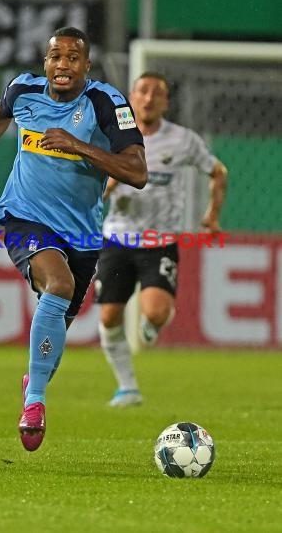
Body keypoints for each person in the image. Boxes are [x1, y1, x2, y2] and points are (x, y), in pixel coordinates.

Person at [0, 27, 147, 451]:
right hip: (24, 216)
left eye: (73, 58)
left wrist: (80, 146)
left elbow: (137, 172)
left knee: (54, 333)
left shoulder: (105, 102)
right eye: (56, 57)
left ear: (87, 66)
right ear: (45, 63)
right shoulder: (23, 89)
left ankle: (34, 381)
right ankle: (35, 403)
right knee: (58, 285)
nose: (63, 65)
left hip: (82, 233)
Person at [95, 72, 228, 407]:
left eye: (157, 93)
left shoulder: (183, 140)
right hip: (117, 238)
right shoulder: (111, 136)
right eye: (143, 91)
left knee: (154, 312)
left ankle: (154, 324)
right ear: (131, 96)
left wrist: (212, 214)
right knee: (109, 316)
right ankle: (127, 388)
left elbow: (218, 172)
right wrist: (105, 188)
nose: (149, 98)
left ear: (166, 102)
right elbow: (92, 185)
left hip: (160, 240)